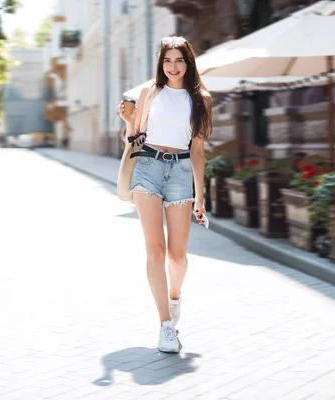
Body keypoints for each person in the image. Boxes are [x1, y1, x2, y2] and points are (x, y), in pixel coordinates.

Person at [117, 36, 212, 353]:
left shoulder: (201, 99)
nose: (173, 67)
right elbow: (134, 139)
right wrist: (130, 121)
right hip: (148, 168)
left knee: (178, 257)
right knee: (155, 252)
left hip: (181, 172)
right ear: (161, 64)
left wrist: (200, 195)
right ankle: (165, 326)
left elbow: (197, 149)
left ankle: (174, 298)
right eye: (167, 61)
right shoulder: (149, 93)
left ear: (189, 63)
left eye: (179, 60)